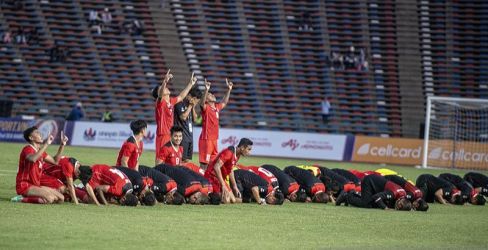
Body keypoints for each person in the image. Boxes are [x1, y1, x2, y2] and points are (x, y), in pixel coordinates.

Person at [14, 127, 68, 204]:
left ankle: (32, 197)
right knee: (50, 199)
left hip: (35, 185)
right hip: (24, 185)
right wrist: (46, 144)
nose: (40, 134)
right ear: (31, 138)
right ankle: (20, 199)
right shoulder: (27, 149)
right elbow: (33, 159)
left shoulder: (40, 152)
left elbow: (55, 161)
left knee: (61, 198)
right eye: (37, 132)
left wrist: (62, 145)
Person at [153, 70, 197, 165]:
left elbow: (181, 96)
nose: (165, 87)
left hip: (171, 135)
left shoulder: (171, 102)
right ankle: (158, 178)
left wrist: (190, 84)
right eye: (162, 88)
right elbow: (160, 95)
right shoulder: (160, 103)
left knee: (172, 160)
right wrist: (165, 81)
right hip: (163, 134)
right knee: (160, 161)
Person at [204, 138, 252, 204]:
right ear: (242, 147)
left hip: (220, 179)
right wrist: (223, 185)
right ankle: (208, 196)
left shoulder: (237, 155)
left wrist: (235, 187)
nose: (249, 152)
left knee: (233, 200)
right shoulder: (229, 152)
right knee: (226, 200)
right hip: (212, 177)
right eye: (249, 149)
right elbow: (216, 167)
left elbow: (230, 170)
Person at [198, 78, 233, 169]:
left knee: (213, 163)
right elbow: (201, 104)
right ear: (206, 99)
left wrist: (229, 90)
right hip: (207, 139)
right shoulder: (206, 108)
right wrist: (206, 90)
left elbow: (224, 102)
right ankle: (201, 181)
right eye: (210, 94)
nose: (212, 94)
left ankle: (208, 181)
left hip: (214, 140)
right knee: (204, 164)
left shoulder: (216, 107)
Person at [338, 174, 412, 211]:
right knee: (366, 204)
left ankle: (352, 194)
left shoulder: (403, 195)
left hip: (375, 183)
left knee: (373, 204)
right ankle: (346, 196)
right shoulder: (393, 193)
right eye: (399, 206)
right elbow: (377, 197)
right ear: (400, 200)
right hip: (369, 181)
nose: (397, 207)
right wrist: (385, 208)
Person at [174, 86, 201, 162]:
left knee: (187, 161)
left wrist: (193, 107)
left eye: (197, 101)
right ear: (189, 96)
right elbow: (183, 117)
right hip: (182, 137)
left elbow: (195, 120)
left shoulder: (191, 106)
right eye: (195, 99)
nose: (195, 102)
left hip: (190, 137)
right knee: (180, 160)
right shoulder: (179, 104)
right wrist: (190, 106)